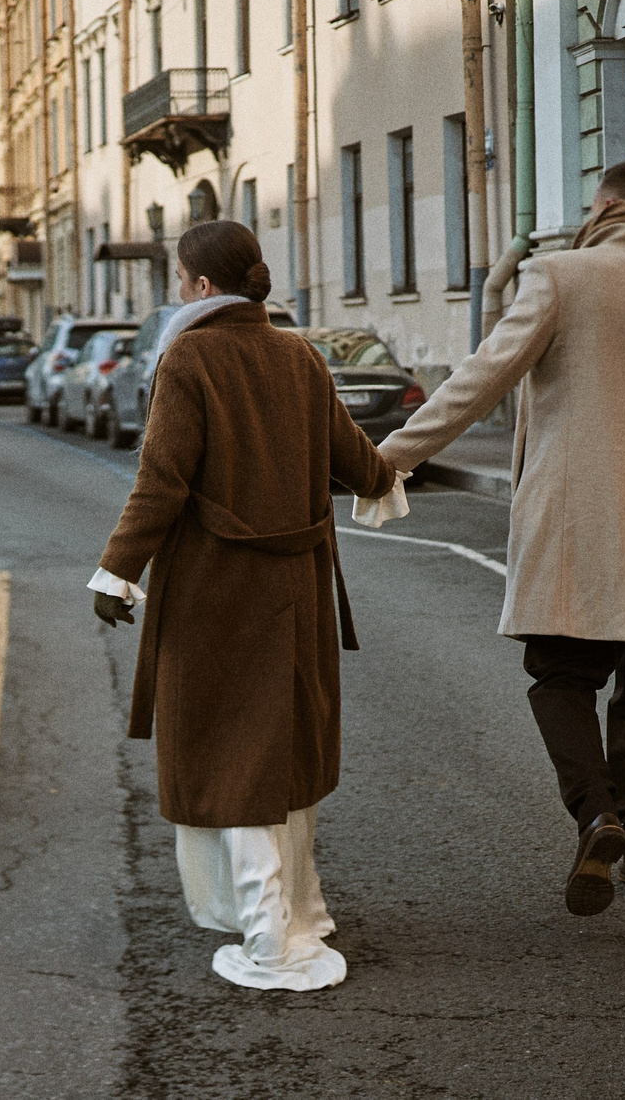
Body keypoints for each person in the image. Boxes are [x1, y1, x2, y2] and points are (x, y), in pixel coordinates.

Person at [375, 159, 625, 916]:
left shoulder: (559, 276)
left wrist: (387, 458)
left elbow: (480, 379)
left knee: (560, 675)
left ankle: (595, 814)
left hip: (575, 517)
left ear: (606, 203)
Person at [90, 219, 397, 991]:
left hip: (215, 592)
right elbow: (361, 466)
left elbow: (160, 481)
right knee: (285, 749)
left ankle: (269, 940)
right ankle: (306, 911)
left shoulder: (188, 354)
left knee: (233, 757)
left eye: (177, 277)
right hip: (298, 589)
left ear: (198, 285)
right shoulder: (299, 355)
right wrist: (388, 478)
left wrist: (115, 571)